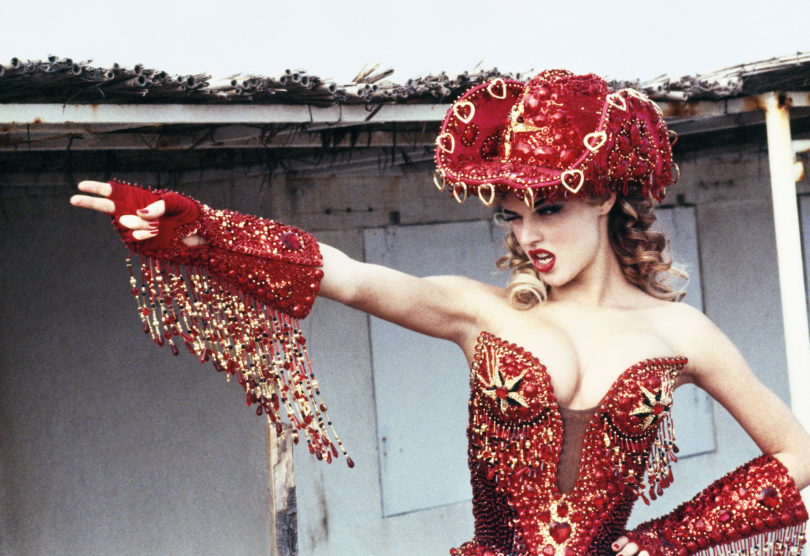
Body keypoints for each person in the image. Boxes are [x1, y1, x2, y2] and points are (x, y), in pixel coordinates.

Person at [71, 70, 810, 555]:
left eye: (548, 209)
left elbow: (797, 454)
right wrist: (202, 231)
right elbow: (350, 277)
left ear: (605, 195)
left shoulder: (681, 332)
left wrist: (670, 538)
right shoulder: (477, 311)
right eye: (513, 214)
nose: (528, 234)